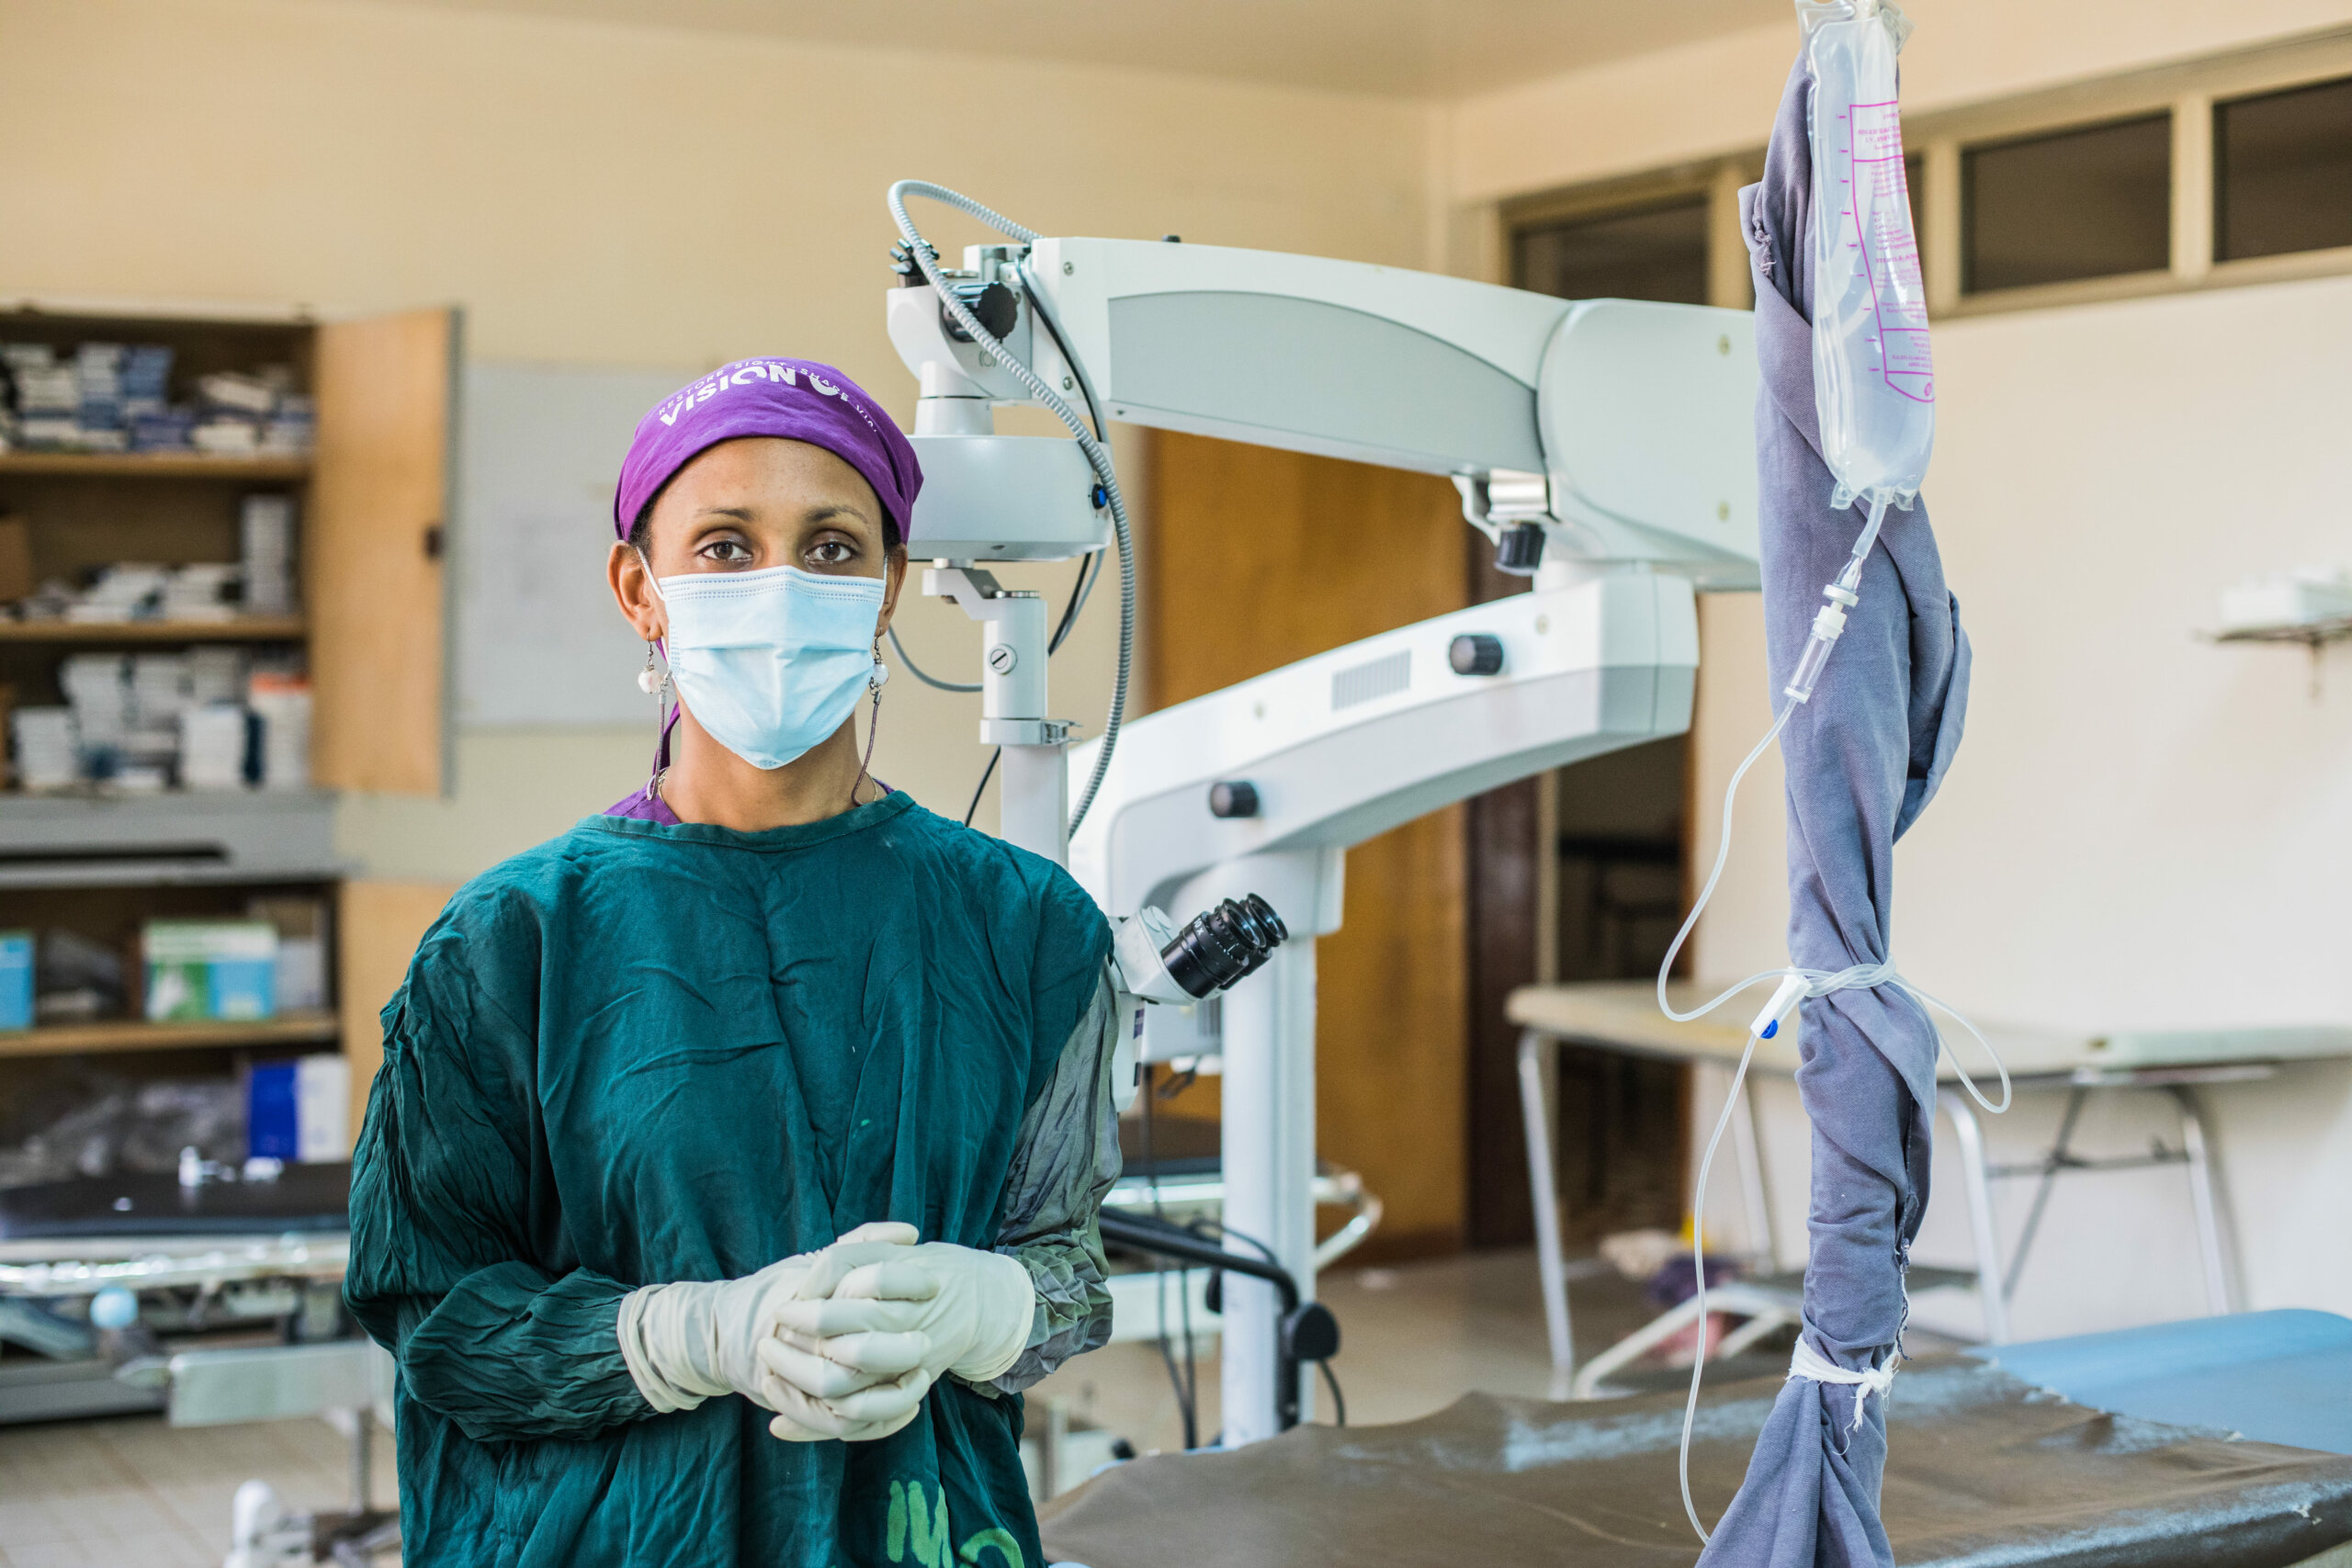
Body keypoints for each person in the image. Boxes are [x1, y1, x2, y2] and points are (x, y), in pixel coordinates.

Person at [344, 357, 1122, 1568]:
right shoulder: (510, 943)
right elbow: (435, 1316)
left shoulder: (1028, 927)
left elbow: (1067, 1270)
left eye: (829, 547)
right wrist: (689, 1335)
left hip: (918, 1531)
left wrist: (990, 1309)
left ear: (888, 587)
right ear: (638, 590)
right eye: (722, 546)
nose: (779, 585)